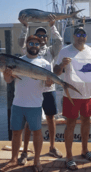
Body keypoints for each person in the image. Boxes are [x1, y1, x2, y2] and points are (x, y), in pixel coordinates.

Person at [0, 35, 53, 172]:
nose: (34, 45)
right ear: (27, 44)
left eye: (37, 43)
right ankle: (13, 158)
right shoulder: (17, 61)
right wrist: (6, 74)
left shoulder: (45, 64)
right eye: (31, 43)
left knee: (37, 133)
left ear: (40, 46)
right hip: (18, 103)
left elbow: (47, 87)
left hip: (35, 104)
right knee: (16, 133)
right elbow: (8, 81)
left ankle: (37, 160)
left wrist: (48, 83)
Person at [17, 13, 63, 164]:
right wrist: (25, 26)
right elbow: (21, 42)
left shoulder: (51, 51)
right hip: (33, 91)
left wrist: (53, 25)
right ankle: (24, 151)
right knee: (29, 122)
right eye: (39, 36)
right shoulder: (29, 50)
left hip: (49, 90)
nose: (42, 38)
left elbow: (59, 40)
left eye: (44, 36)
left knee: (51, 118)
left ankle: (52, 146)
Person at [54, 27, 91, 171]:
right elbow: (56, 72)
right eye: (78, 34)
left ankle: (85, 150)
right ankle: (69, 157)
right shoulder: (65, 50)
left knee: (86, 122)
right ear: (73, 36)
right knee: (70, 125)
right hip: (71, 96)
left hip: (87, 95)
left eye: (83, 34)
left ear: (86, 37)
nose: (81, 37)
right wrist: (61, 65)